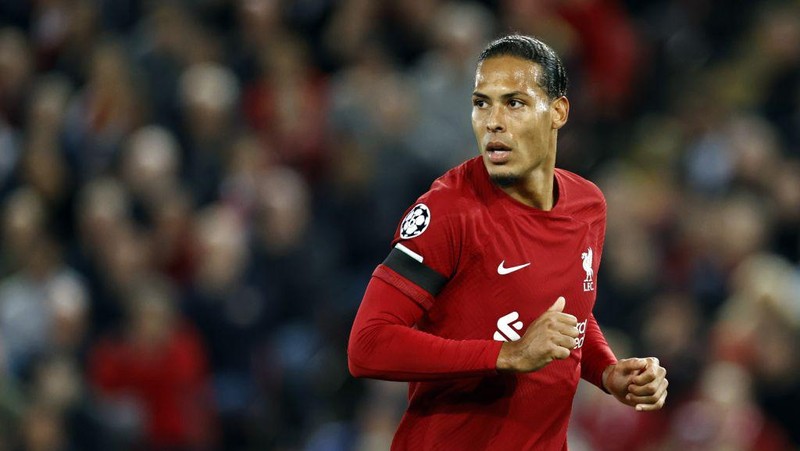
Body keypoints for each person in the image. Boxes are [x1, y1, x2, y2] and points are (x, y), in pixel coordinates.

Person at [347, 34, 668, 450]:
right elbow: (368, 345)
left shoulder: (588, 206)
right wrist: (505, 354)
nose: (493, 121)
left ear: (558, 112)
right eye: (482, 103)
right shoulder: (449, 210)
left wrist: (607, 372)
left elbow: (567, 312)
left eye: (514, 103)